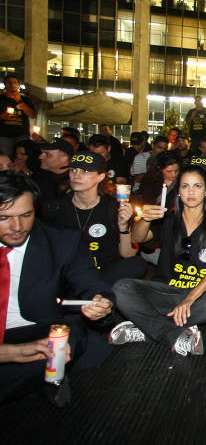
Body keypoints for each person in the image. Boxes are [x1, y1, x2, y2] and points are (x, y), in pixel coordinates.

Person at [0, 171, 114, 405]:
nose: (17, 226)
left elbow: (90, 284)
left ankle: (42, 374)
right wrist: (12, 353)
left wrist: (100, 301)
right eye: (4, 217)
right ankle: (42, 379)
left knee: (61, 345)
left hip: (36, 328)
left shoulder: (61, 242)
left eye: (26, 215)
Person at [111, 164, 206, 356]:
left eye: (197, 186)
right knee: (120, 288)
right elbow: (137, 238)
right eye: (185, 186)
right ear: (178, 191)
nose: (191, 192)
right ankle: (174, 334)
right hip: (165, 292)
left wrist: (189, 299)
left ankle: (147, 328)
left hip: (199, 296)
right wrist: (145, 219)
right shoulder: (167, 219)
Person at [40, 152, 145, 284]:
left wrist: (123, 226)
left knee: (136, 264)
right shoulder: (55, 207)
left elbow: (128, 254)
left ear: (100, 176)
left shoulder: (113, 208)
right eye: (73, 170)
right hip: (70, 272)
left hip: (102, 272)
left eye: (85, 171)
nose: (76, 176)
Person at [0, 74, 36, 156]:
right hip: (4, 135)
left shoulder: (26, 100)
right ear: (5, 85)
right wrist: (3, 116)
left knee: (21, 157)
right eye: (9, 83)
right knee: (5, 157)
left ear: (19, 85)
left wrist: (20, 101)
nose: (12, 85)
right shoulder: (1, 99)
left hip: (22, 135)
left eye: (15, 82)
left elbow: (32, 115)